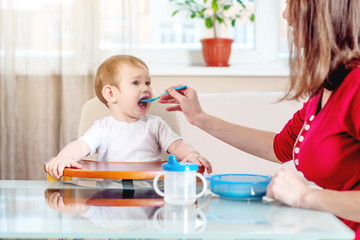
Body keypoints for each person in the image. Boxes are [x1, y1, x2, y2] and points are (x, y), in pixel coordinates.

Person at [158, 0, 360, 238]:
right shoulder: (326, 89)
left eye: (291, 3)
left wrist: (305, 196)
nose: (285, 15)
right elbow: (279, 148)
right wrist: (200, 118)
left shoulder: (356, 86)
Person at [46, 55, 212, 179]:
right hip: (109, 199)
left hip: (150, 195)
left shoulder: (155, 125)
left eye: (147, 83)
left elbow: (177, 146)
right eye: (136, 83)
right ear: (110, 94)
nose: (146, 89)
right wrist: (64, 157)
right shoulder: (102, 128)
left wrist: (191, 154)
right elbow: (80, 147)